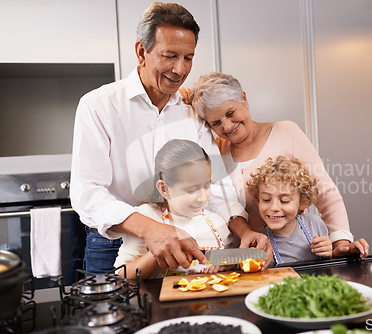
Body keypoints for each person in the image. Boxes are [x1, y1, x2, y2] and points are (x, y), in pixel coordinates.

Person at [70, 3, 272, 275]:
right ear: (142, 52)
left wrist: (243, 230)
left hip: (187, 240)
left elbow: (217, 186)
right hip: (114, 247)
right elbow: (87, 191)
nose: (180, 69)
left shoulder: (193, 111)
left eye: (188, 57)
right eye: (170, 56)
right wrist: (151, 228)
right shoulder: (99, 106)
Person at [190, 72, 369, 259]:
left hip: (296, 253)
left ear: (244, 99)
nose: (227, 127)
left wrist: (340, 244)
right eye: (216, 123)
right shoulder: (215, 152)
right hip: (244, 260)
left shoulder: (286, 132)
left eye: (230, 113)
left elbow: (325, 193)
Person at [115, 139, 231, 279]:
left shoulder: (217, 222)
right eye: (192, 190)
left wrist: (223, 266)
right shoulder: (146, 217)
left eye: (206, 186)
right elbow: (123, 275)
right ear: (164, 189)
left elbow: (230, 263)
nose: (202, 198)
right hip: (159, 299)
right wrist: (158, 252)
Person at [247, 156, 334, 266]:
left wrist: (328, 252)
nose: (274, 207)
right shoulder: (260, 241)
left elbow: (329, 263)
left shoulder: (314, 224)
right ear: (258, 201)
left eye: (284, 201)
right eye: (266, 200)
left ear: (302, 202)